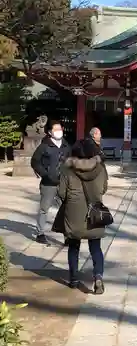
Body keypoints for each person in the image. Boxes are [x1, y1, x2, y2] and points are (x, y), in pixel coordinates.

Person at [53, 139, 108, 292]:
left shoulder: (67, 169)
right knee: (96, 248)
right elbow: (104, 189)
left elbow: (61, 193)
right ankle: (98, 277)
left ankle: (74, 279)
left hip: (73, 212)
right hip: (94, 213)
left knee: (73, 247)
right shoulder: (101, 168)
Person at [31, 120, 71, 245]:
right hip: (48, 183)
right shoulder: (45, 146)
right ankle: (40, 233)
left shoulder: (66, 145)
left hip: (63, 183)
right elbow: (35, 161)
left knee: (65, 209)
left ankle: (67, 235)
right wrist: (45, 174)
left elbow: (71, 161)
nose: (59, 131)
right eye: (56, 129)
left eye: (60, 129)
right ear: (50, 132)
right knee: (44, 208)